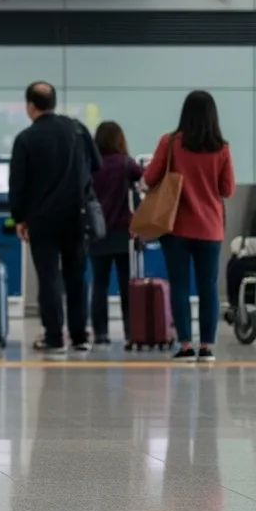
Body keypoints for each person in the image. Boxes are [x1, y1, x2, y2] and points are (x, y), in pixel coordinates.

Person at [8, 81, 101, 357]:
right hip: (77, 216)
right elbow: (96, 165)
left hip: (42, 220)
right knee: (77, 276)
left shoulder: (26, 138)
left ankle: (54, 338)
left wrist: (19, 218)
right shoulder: (77, 129)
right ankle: (80, 336)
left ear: (30, 106)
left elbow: (18, 184)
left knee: (48, 277)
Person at [143, 89, 235, 362]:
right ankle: (206, 346)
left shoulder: (169, 142)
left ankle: (184, 345)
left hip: (176, 227)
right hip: (210, 229)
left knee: (180, 286)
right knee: (208, 287)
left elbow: (149, 178)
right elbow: (228, 189)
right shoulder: (223, 148)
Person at [87, 121, 144, 345]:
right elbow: (147, 178)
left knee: (99, 284)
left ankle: (100, 333)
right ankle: (131, 332)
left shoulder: (91, 165)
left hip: (96, 232)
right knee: (126, 286)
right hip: (123, 233)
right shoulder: (126, 164)